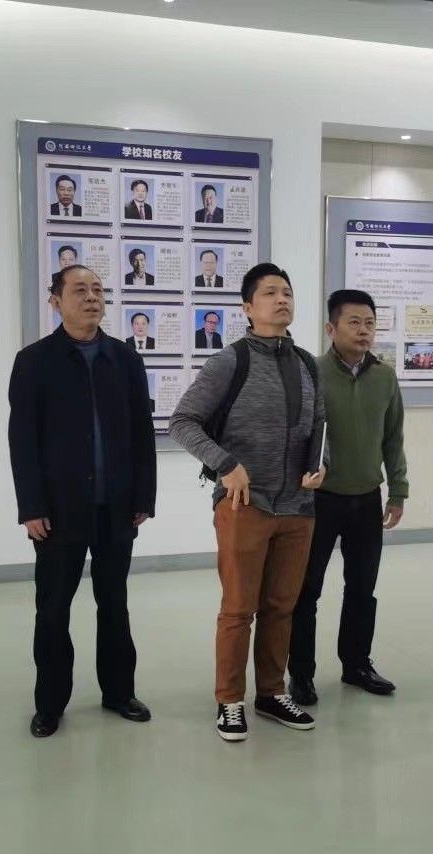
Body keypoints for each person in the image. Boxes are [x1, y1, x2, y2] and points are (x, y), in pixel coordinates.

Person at [171, 263, 326, 742]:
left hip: (297, 508)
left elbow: (320, 427)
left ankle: (271, 693)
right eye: (270, 293)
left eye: (287, 292)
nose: (282, 300)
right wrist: (225, 464)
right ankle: (229, 700)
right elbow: (182, 421)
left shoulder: (307, 364)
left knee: (282, 607)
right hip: (245, 504)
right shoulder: (230, 361)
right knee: (239, 609)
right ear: (247, 307)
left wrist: (321, 465)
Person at [8, 264, 157, 738]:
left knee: (115, 604)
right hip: (58, 510)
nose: (91, 297)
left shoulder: (124, 359)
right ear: (55, 301)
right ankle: (50, 704)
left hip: (116, 507)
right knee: (53, 610)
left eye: (97, 289)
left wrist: (144, 495)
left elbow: (142, 433)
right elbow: (22, 440)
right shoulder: (34, 361)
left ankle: (119, 692)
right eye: (79, 290)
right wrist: (31, 507)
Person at [288, 289, 408, 705]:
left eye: (369, 323)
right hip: (320, 500)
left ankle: (356, 664)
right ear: (331, 328)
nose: (363, 331)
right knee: (306, 590)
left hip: (367, 497)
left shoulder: (385, 377)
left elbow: (393, 438)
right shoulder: (312, 372)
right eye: (353, 322)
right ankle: (300, 674)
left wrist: (398, 490)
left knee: (362, 587)